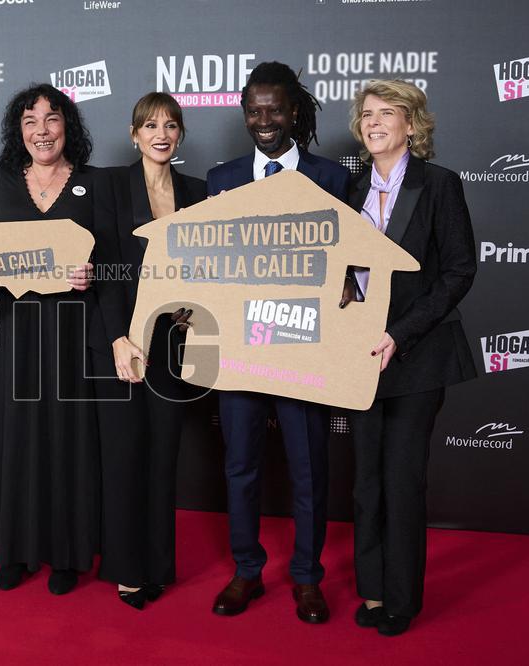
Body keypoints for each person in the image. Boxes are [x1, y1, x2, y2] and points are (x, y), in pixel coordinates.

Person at [206, 61, 350, 624]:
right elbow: (205, 262)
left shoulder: (333, 178)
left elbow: (357, 263)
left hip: (304, 347)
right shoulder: (222, 179)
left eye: (275, 109)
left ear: (295, 112)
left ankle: (307, 578)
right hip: (241, 348)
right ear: (245, 114)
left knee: (307, 465)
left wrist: (345, 292)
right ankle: (246, 571)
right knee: (241, 463)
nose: (264, 120)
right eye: (254, 110)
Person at [343, 80, 476, 637]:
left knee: (401, 479)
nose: (374, 122)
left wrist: (400, 332)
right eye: (367, 115)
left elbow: (458, 272)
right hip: (357, 358)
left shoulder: (439, 185)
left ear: (412, 125)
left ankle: (401, 599)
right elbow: (346, 275)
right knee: (365, 481)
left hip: (416, 356)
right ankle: (372, 589)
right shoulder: (351, 192)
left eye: (387, 113)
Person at [0, 84, 95, 595]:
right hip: (16, 328)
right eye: (30, 120)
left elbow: (110, 261)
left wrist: (94, 275)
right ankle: (16, 550)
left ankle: (65, 552)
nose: (41, 130)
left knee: (66, 439)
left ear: (68, 126)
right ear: (17, 130)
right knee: (18, 435)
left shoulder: (94, 183)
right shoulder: (0, 181)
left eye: (51, 119)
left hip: (72, 331)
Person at [91, 93, 207, 609]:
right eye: (151, 125)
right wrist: (118, 337)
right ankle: (127, 566)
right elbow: (107, 269)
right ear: (134, 133)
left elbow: (206, 271)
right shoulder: (110, 185)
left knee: (163, 457)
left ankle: (158, 563)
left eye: (171, 125)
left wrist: (192, 309)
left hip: (175, 346)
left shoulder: (198, 192)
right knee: (123, 456)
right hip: (124, 342)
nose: (162, 133)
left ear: (180, 134)